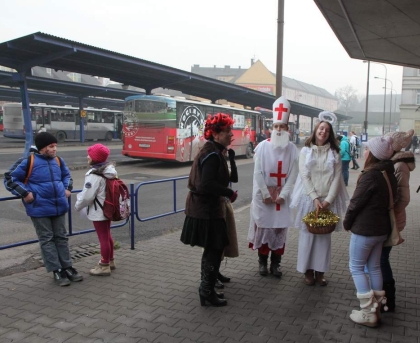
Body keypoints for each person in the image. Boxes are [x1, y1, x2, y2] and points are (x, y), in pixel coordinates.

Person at [4, 132, 83, 286]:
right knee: (47, 239)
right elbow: (10, 178)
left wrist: (67, 189)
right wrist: (25, 193)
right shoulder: (29, 161)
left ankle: (67, 267)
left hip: (59, 206)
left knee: (61, 237)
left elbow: (67, 176)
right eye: (51, 146)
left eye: (55, 146)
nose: (54, 149)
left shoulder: (58, 161)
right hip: (39, 207)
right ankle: (57, 270)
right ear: (42, 148)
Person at [180, 113, 237, 307]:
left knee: (213, 249)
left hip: (205, 209)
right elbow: (206, 185)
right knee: (214, 249)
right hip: (206, 210)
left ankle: (207, 289)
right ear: (216, 133)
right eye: (228, 131)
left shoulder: (214, 151)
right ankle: (206, 290)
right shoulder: (212, 154)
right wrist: (228, 192)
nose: (231, 134)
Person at [343, 136, 397, 327]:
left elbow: (355, 203)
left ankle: (368, 312)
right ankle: (377, 308)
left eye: (367, 149)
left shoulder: (370, 175)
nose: (364, 152)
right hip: (381, 230)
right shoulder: (388, 173)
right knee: (374, 267)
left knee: (356, 267)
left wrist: (347, 223)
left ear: (373, 154)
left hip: (365, 230)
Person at [290, 111, 348, 286]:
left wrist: (328, 200)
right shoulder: (306, 151)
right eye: (321, 129)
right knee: (307, 236)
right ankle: (307, 271)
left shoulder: (335, 153)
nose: (323, 132)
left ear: (330, 135)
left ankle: (320, 272)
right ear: (315, 130)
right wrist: (315, 198)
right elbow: (304, 176)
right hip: (310, 199)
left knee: (323, 238)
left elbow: (338, 178)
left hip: (327, 200)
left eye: (327, 130)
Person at [247, 96, 299, 278]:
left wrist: (284, 194)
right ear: (272, 128)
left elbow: (293, 174)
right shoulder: (261, 147)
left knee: (279, 230)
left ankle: (276, 264)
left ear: (287, 129)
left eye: (282, 126)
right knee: (264, 228)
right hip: (264, 197)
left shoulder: (293, 149)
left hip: (281, 198)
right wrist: (264, 193)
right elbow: (257, 173)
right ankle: (262, 262)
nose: (278, 129)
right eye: (276, 126)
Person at [381, 130, 416, 311]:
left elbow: (403, 198)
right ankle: (384, 296)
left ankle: (388, 299)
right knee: (381, 258)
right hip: (389, 218)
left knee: (381, 259)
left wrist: (389, 211)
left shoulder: (399, 165)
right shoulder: (394, 163)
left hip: (391, 219)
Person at [74, 144, 117, 276]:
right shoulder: (109, 172)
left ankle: (104, 266)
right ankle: (110, 261)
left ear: (95, 158)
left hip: (99, 210)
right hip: (108, 208)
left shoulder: (95, 175)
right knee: (107, 235)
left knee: (103, 238)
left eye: (90, 155)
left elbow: (87, 196)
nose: (87, 156)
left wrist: (77, 205)